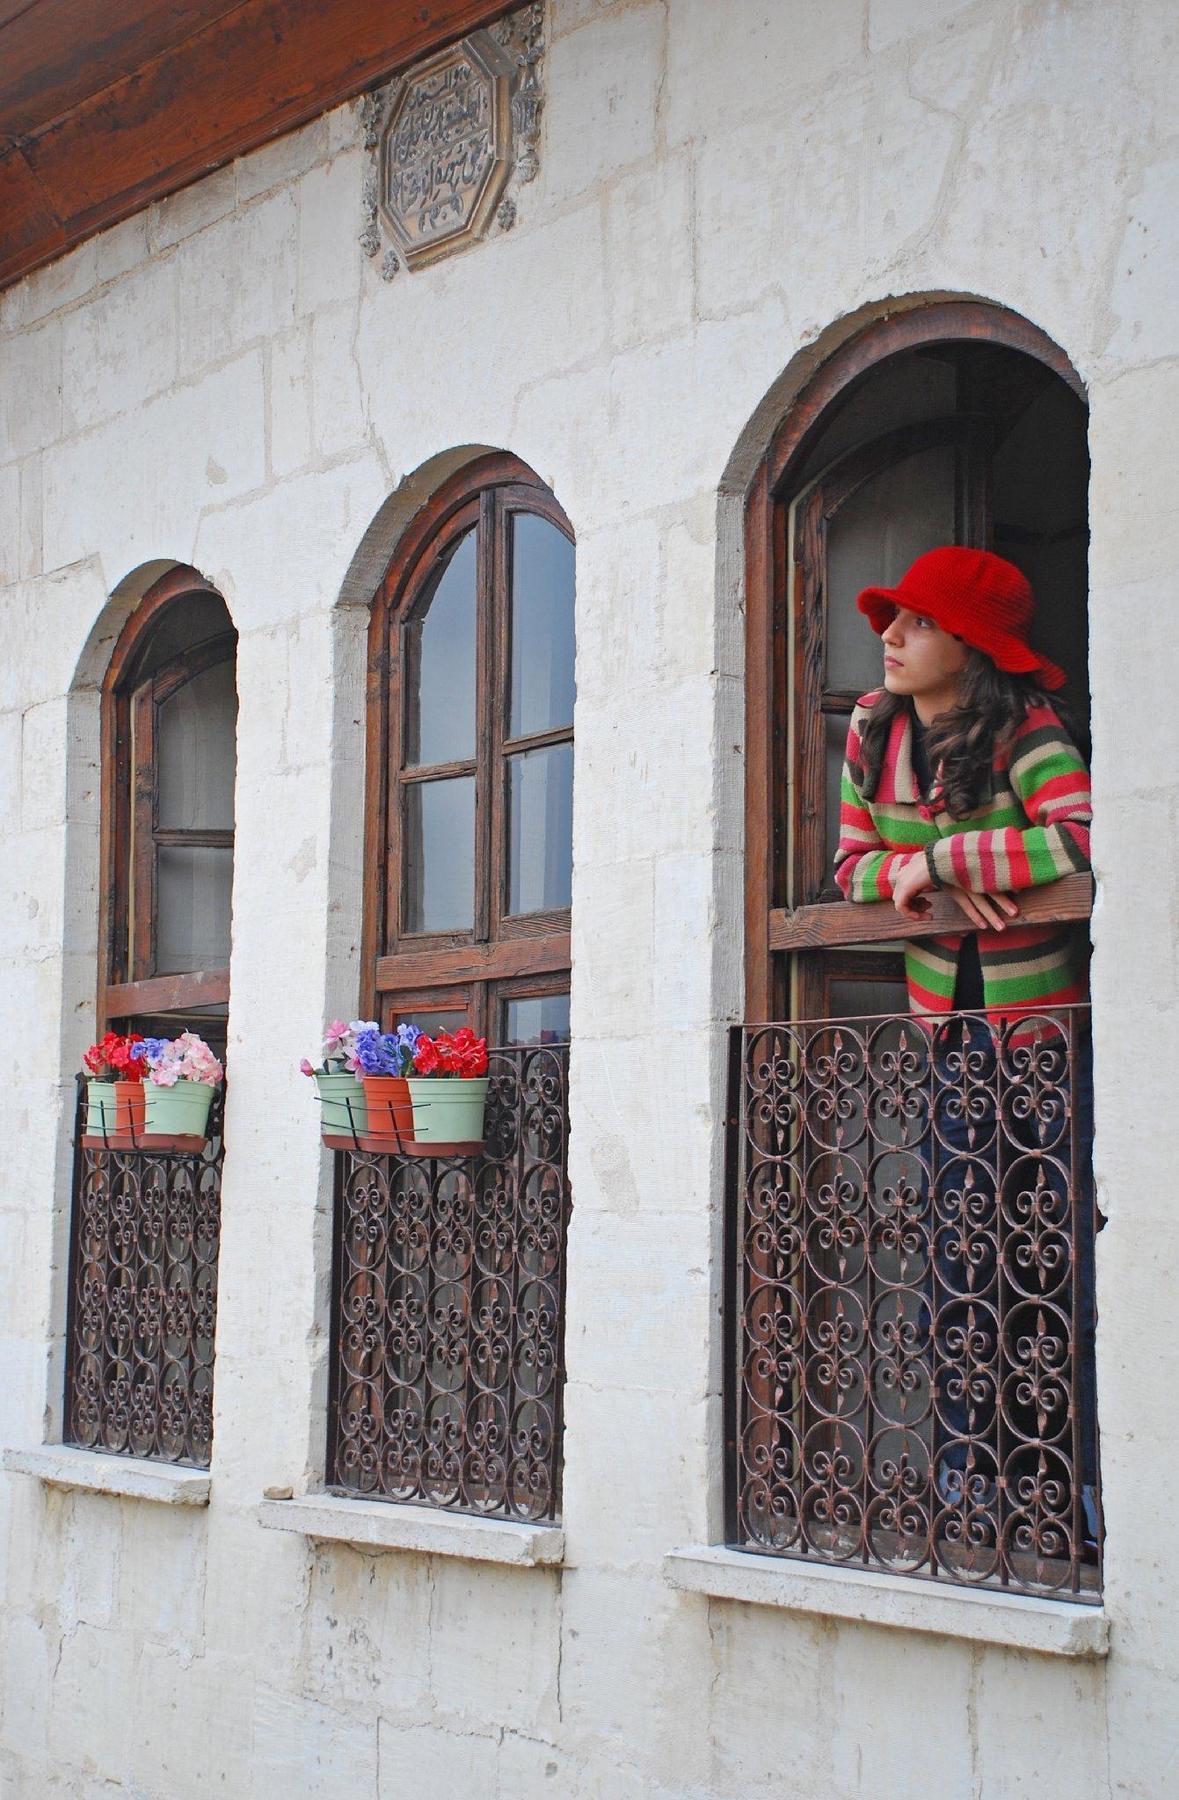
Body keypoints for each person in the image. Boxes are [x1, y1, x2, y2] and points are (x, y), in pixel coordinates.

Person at [833, 545, 1098, 1563]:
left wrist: (941, 861)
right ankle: (967, 1485)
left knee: (1053, 1253)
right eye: (892, 618)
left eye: (917, 623)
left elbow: (1077, 838)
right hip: (947, 1033)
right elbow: (853, 867)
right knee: (960, 1255)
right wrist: (913, 872)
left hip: (1042, 1031)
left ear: (971, 646)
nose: (890, 637)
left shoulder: (1025, 726)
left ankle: (1065, 1492)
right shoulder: (871, 726)